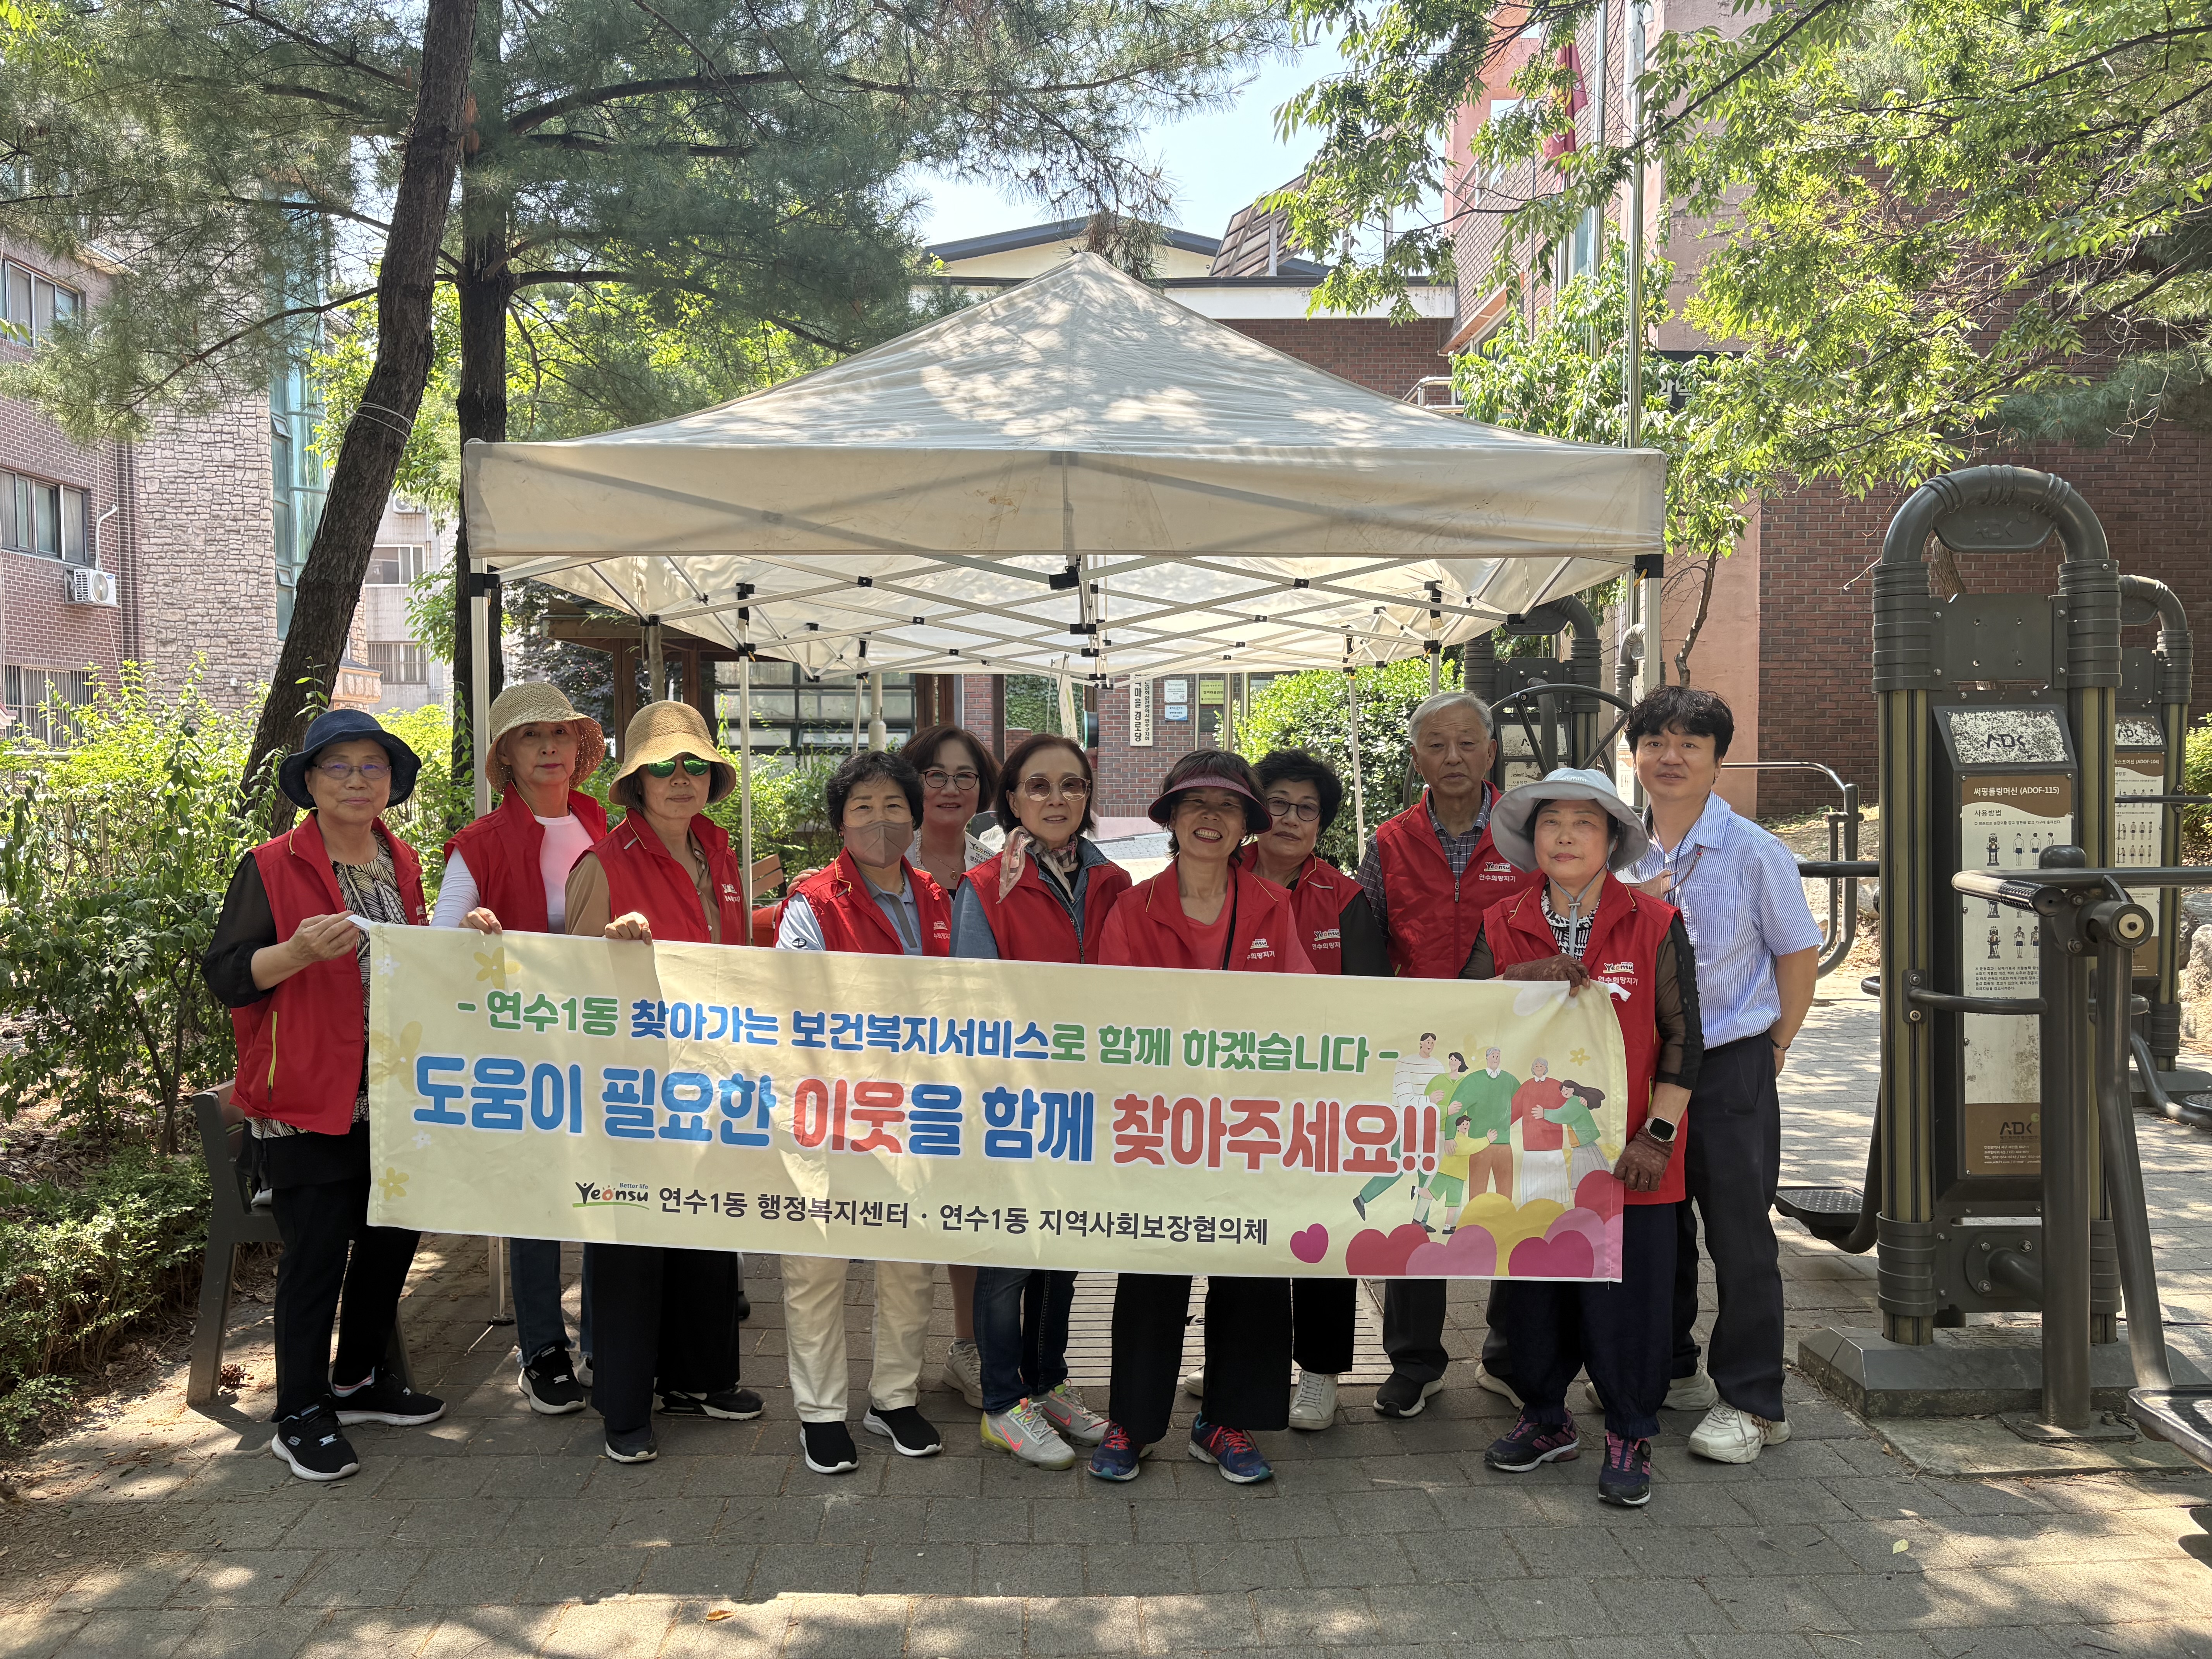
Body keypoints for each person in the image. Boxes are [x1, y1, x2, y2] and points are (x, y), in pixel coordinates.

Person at [202, 710, 444, 1482]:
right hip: (304, 1098)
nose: (355, 780)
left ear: (390, 784)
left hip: (393, 1091)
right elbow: (228, 975)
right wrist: (296, 951)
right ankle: (300, 1411)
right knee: (318, 1255)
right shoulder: (271, 865)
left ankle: (360, 1376)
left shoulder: (398, 860)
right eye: (337, 767)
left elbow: (410, 959)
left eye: (371, 766)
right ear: (309, 782)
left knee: (395, 1233)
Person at [1465, 766, 1702, 1509]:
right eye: (1551, 824)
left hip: (1632, 1158)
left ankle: (1630, 1429)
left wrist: (1657, 1137)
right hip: (1533, 1155)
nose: (1565, 837)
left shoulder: (1656, 924)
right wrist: (1517, 983)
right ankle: (1545, 1417)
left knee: (1629, 1305)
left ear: (1611, 841)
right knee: (1533, 1297)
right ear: (1532, 839)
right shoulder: (1499, 922)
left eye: (1585, 824)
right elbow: (1466, 1027)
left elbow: (1683, 1042)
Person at [1089, 751, 1314, 1486]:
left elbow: (1303, 1020)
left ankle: (1226, 1420)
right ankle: (1134, 1421)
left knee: (1248, 1268)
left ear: (1248, 824)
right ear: (1171, 821)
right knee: (1153, 1270)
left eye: (1228, 806)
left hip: (1248, 1126)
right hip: (1161, 1124)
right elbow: (1118, 1022)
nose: (1211, 818)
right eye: (1195, 805)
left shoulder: (1273, 910)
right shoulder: (1134, 908)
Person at [1621, 685, 1821, 1463]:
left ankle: (1754, 1401)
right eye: (1656, 742)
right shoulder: (1620, 848)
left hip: (1732, 1060)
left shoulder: (1756, 852)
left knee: (1739, 1233)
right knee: (1656, 1225)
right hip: (1644, 1062)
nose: (1671, 759)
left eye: (1690, 745)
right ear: (1634, 754)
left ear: (1715, 760)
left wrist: (1777, 1045)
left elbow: (1797, 955)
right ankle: (1673, 1369)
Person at [565, 701, 760, 1465]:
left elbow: (731, 951)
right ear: (635, 782)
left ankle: (701, 1378)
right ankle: (623, 1403)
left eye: (691, 765)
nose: (679, 779)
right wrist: (608, 951)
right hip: (632, 1088)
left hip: (711, 1078)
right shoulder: (603, 864)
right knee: (631, 1246)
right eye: (660, 767)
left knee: (706, 1227)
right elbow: (570, 982)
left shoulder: (718, 853)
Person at [1189, 747, 1388, 1432]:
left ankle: (1321, 1375)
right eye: (1277, 803)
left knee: (1324, 1240)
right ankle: (1238, 1369)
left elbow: (1369, 1007)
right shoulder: (1213, 876)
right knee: (1240, 1241)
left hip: (1321, 1105)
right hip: (1232, 1101)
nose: (1291, 818)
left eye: (1308, 808)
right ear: (1251, 811)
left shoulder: (1346, 897)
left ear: (1322, 824)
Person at [1353, 689, 1539, 1419]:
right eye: (1437, 744)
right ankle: (1416, 1360)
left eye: (1468, 742)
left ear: (1492, 752)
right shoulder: (1391, 841)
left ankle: (1509, 1354)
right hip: (1423, 1054)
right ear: (1416, 758)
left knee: (1510, 1194)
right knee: (1421, 1194)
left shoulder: (1529, 834)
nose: (1454, 757)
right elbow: (1368, 938)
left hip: (1512, 1047)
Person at [950, 733, 1128, 1468]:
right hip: (1015, 1102)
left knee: (1065, 1249)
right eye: (1039, 786)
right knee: (1009, 1258)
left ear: (1088, 798)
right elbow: (971, 999)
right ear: (1013, 799)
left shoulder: (1115, 881)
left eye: (1072, 786)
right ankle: (1001, 1402)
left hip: (1089, 1102)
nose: (1057, 800)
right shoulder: (985, 885)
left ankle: (1048, 1380)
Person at [434, 683, 609, 1417]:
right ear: (505, 755)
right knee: (536, 1199)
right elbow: (439, 949)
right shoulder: (478, 845)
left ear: (578, 751)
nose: (547, 747)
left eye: (560, 734)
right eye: (529, 736)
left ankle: (606, 1336)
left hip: (605, 1039)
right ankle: (542, 1349)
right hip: (523, 1044)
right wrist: (472, 933)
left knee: (608, 1192)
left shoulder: (605, 824)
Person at [777, 749, 948, 1473]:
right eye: (862, 809)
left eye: (893, 807)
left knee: (908, 1262)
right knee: (815, 1265)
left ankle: (893, 1399)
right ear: (840, 823)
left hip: (913, 1111)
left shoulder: (941, 899)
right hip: (826, 1109)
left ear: (914, 816)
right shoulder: (812, 904)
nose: (880, 822)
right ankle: (820, 1411)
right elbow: (793, 1006)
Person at [899, 723, 1001, 1410]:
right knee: (903, 1213)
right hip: (893, 1063)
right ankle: (894, 1363)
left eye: (965, 776)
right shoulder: (882, 852)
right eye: (935, 774)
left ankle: (967, 1347)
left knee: (969, 1205)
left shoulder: (999, 862)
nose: (950, 788)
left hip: (977, 1064)